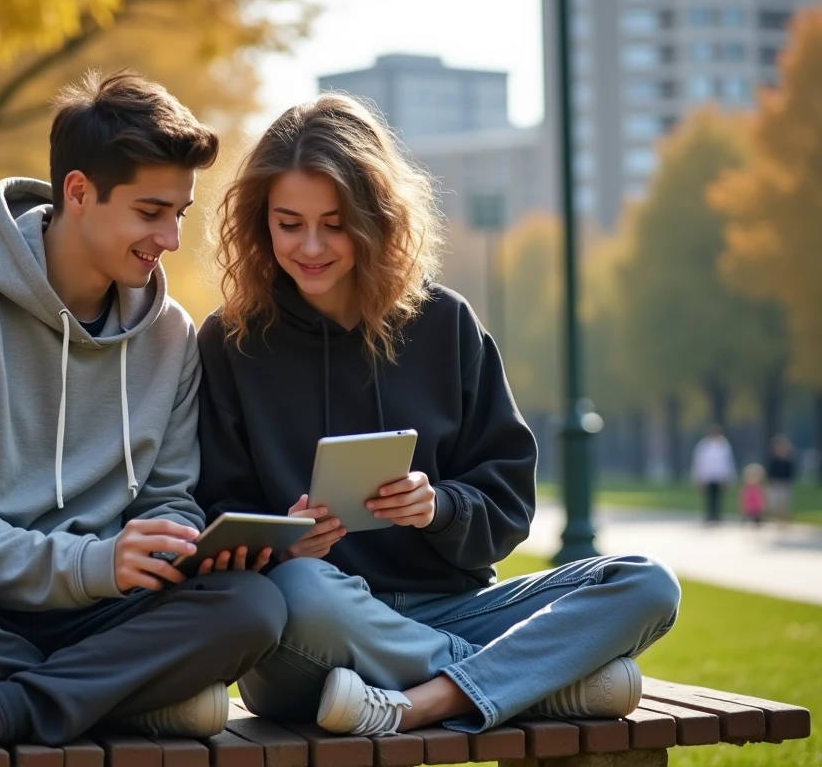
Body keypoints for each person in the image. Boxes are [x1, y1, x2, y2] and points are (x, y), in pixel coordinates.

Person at [0, 71, 287, 755]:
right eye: (151, 211)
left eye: (179, 214)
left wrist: (176, 545)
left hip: (94, 624)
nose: (170, 239)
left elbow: (170, 497)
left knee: (253, 604)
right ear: (78, 192)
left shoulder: (171, 336)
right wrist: (92, 564)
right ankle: (125, 703)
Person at [196, 95, 681, 737]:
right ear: (262, 224)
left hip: (453, 610)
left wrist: (439, 508)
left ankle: (429, 702)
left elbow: (508, 507)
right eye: (289, 224)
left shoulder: (444, 323)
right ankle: (528, 684)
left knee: (646, 585)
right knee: (304, 591)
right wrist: (284, 539)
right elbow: (212, 519)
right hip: (315, 634)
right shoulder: (231, 340)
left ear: (374, 219)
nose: (310, 246)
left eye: (334, 224)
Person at [691, 424, 736, 524]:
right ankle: (709, 515)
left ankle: (717, 515)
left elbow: (728, 462)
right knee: (709, 497)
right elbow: (699, 462)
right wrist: (698, 477)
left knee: (718, 496)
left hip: (719, 476)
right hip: (707, 476)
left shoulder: (724, 445)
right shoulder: (703, 446)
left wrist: (729, 476)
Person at [766, 434, 797, 524]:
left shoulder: (788, 461)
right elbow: (770, 473)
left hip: (785, 483)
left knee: (785, 502)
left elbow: (791, 474)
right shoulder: (773, 461)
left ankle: (784, 519)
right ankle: (778, 519)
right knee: (776, 502)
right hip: (775, 483)